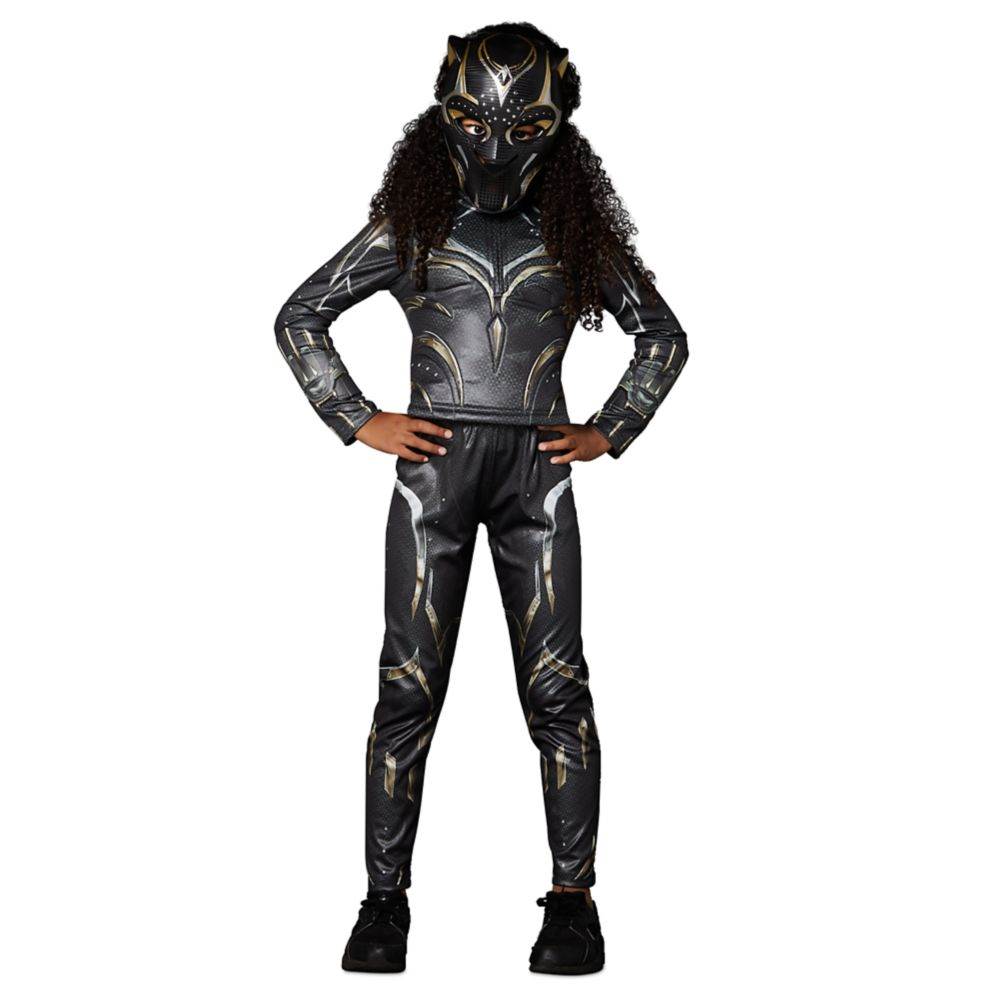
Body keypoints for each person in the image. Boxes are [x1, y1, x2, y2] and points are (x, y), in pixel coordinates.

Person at [275, 22, 688, 975]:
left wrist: (609, 428)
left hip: (536, 476)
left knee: (556, 684)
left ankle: (573, 903)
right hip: (435, 477)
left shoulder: (573, 234)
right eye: (472, 118)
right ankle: (384, 903)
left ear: (560, 123)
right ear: (444, 113)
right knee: (408, 686)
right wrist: (358, 417)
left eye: (524, 124)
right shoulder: (413, 228)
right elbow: (300, 315)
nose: (496, 144)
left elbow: (662, 335)